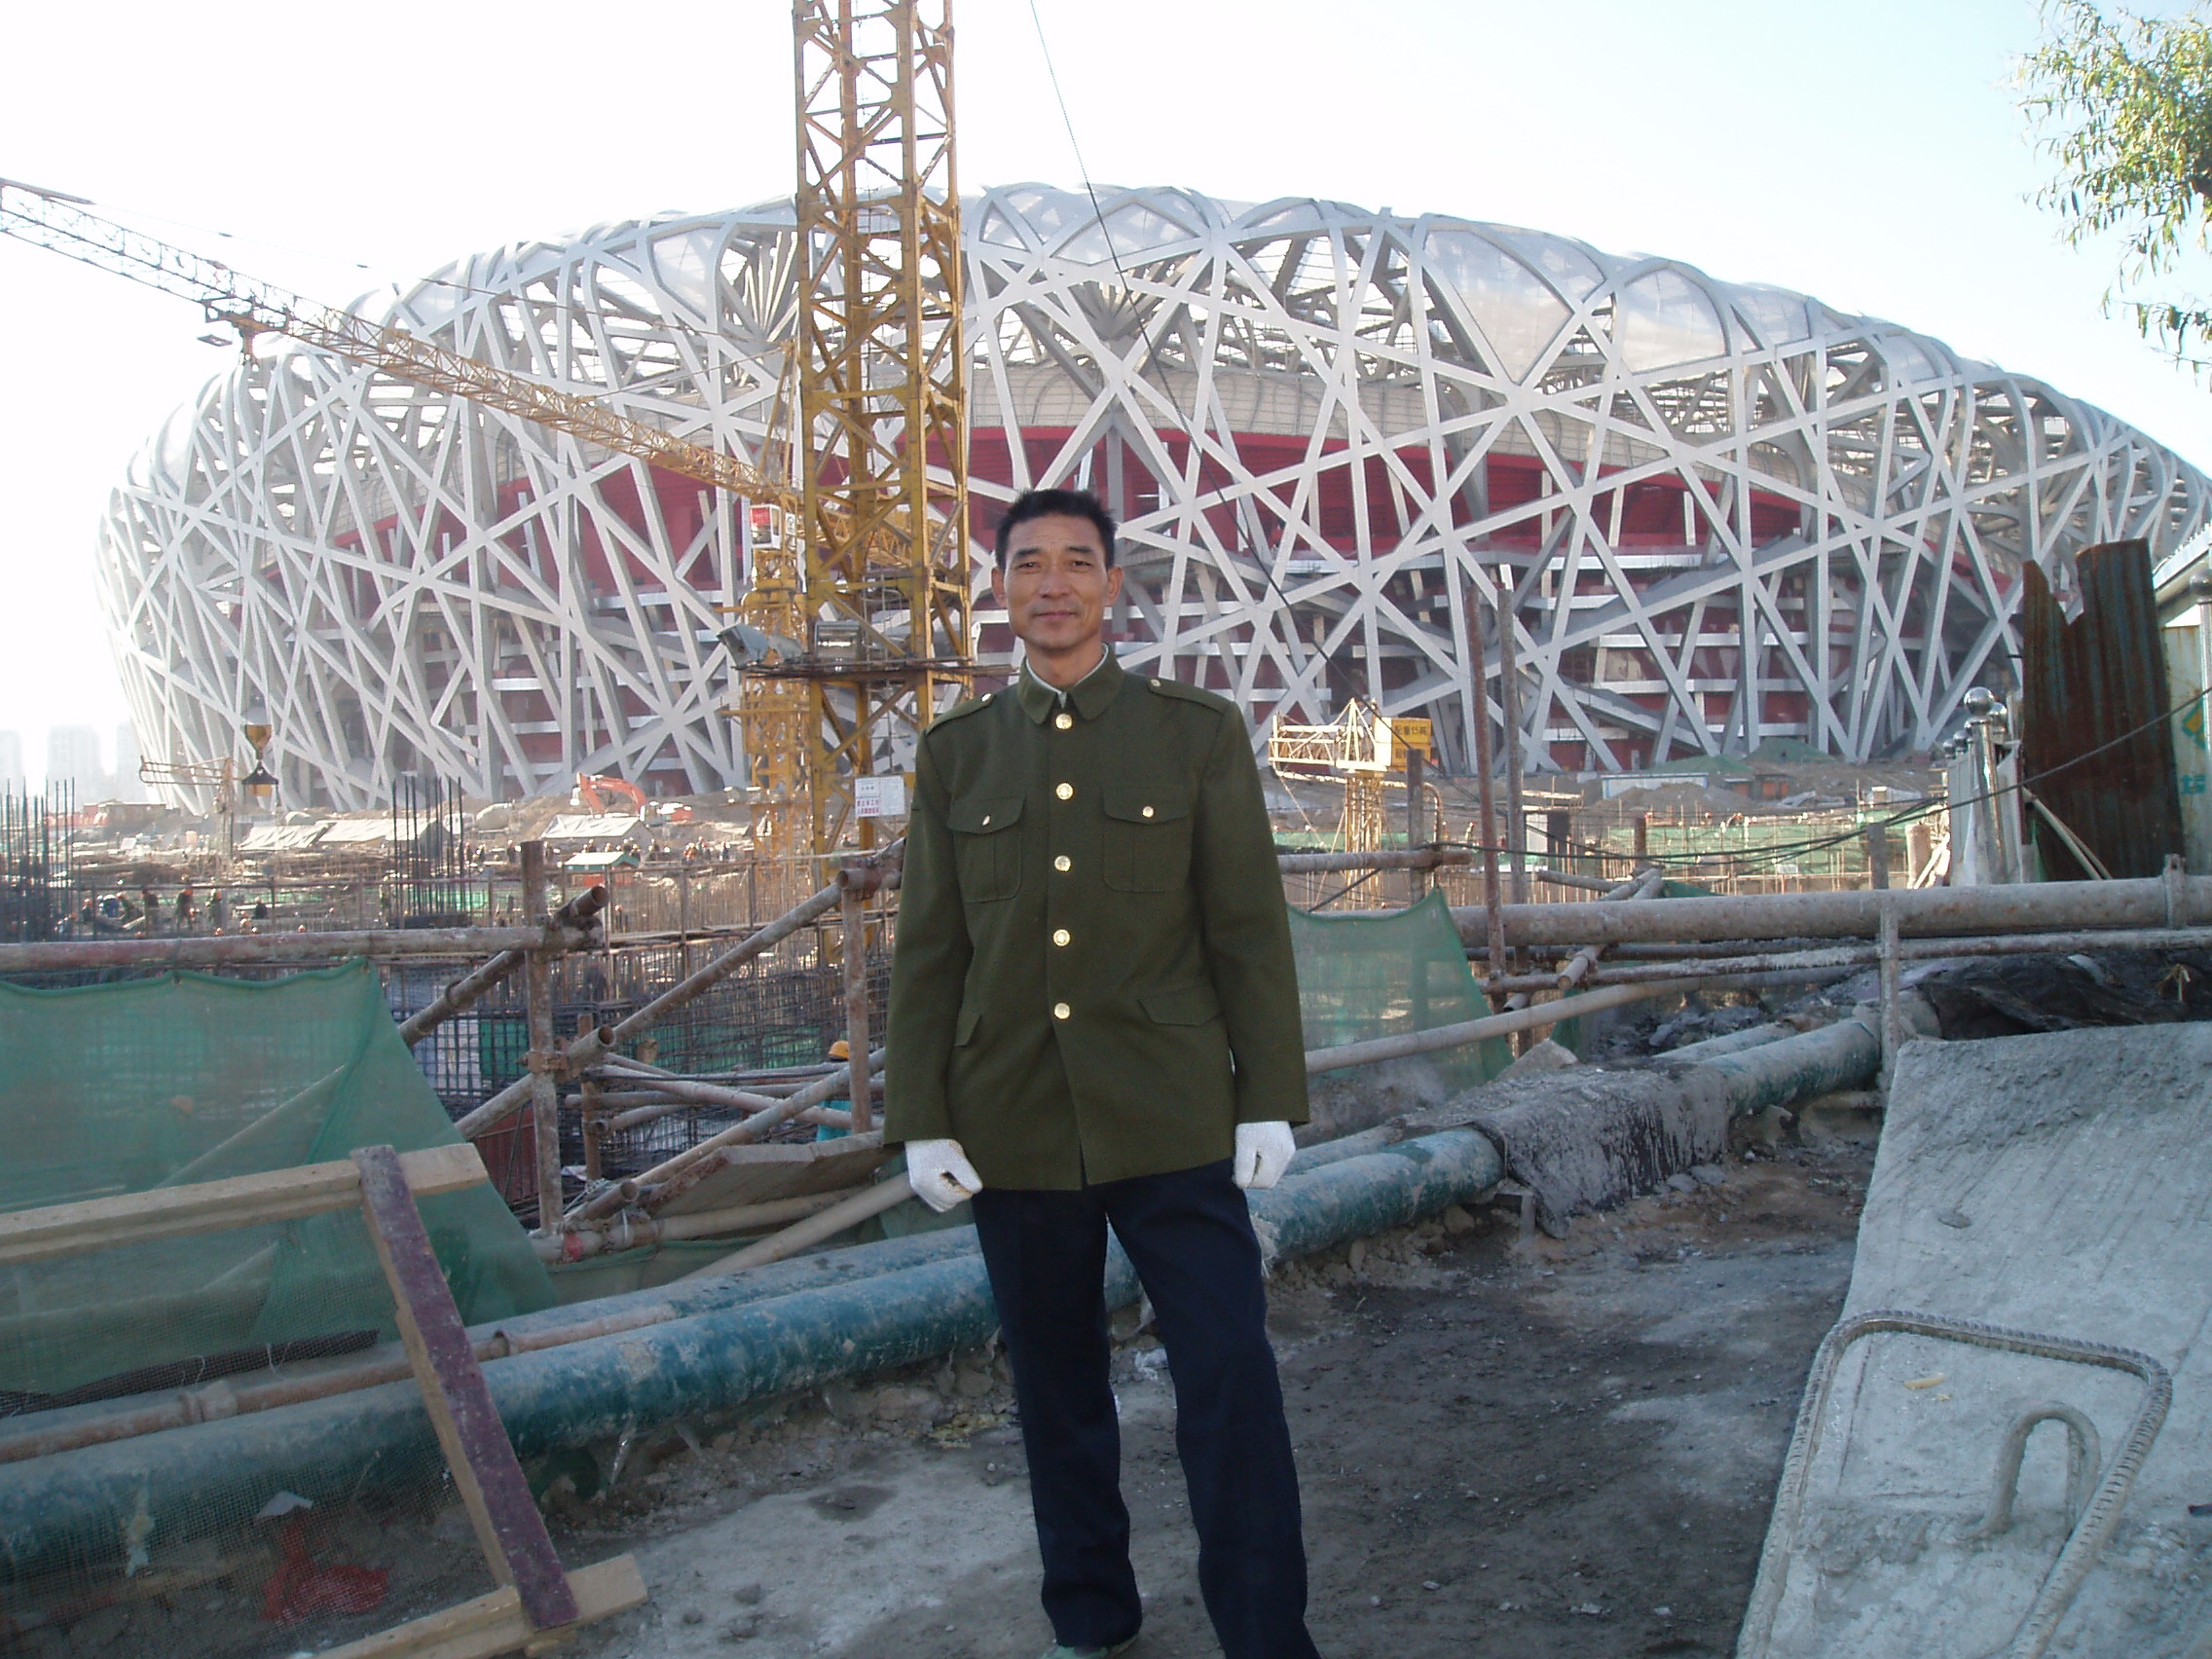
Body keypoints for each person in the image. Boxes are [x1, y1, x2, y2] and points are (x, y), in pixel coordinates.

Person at [885, 487, 1319, 1659]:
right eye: (1029, 563)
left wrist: (1268, 1095)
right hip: (1015, 1121)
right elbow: (929, 952)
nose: (1054, 585)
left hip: (1172, 1116)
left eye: (1077, 562)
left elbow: (1245, 929)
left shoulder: (1194, 733)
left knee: (1228, 1374)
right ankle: (1090, 1619)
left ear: (1113, 586)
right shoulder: (958, 753)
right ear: (1000, 589)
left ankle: (1265, 1635)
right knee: (1055, 1390)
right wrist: (921, 1117)